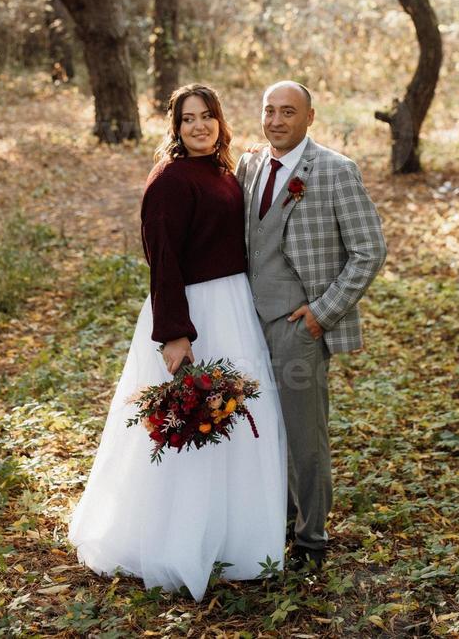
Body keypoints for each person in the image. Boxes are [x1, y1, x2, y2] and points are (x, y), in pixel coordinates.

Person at [69, 84, 287, 601]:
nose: (199, 127)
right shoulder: (168, 180)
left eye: (207, 116)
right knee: (191, 421)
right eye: (188, 119)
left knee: (239, 422)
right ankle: (177, 542)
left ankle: (236, 539)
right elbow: (162, 260)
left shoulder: (221, 169)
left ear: (220, 121)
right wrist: (174, 334)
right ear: (175, 126)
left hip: (234, 306)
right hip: (194, 312)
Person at [235, 81, 386, 569]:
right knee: (259, 428)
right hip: (246, 324)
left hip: (298, 328)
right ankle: (274, 520)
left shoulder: (337, 171)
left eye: (288, 112)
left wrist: (322, 313)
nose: (276, 120)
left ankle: (311, 539)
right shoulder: (249, 165)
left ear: (310, 117)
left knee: (305, 433)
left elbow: (369, 251)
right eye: (269, 110)